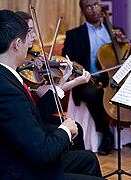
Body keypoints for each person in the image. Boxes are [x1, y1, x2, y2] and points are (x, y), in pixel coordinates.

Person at [0, 9, 103, 179]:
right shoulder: (4, 91)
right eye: (26, 38)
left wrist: (60, 85)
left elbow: (29, 120)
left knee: (87, 160)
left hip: (23, 158)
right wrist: (65, 130)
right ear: (17, 44)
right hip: (20, 171)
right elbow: (42, 152)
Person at [15, 10, 91, 151]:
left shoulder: (34, 57)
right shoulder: (13, 64)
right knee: (71, 129)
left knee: (76, 128)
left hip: (39, 113)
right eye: (29, 31)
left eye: (33, 31)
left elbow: (47, 91)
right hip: (31, 119)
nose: (34, 36)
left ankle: (75, 166)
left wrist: (74, 81)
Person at [62, 0, 129, 156]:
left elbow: (125, 58)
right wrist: (74, 65)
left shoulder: (115, 31)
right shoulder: (74, 35)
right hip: (89, 79)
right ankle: (106, 133)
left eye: (96, 4)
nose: (93, 9)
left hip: (112, 77)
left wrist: (123, 44)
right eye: (88, 7)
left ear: (101, 7)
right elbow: (67, 59)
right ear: (83, 12)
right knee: (93, 94)